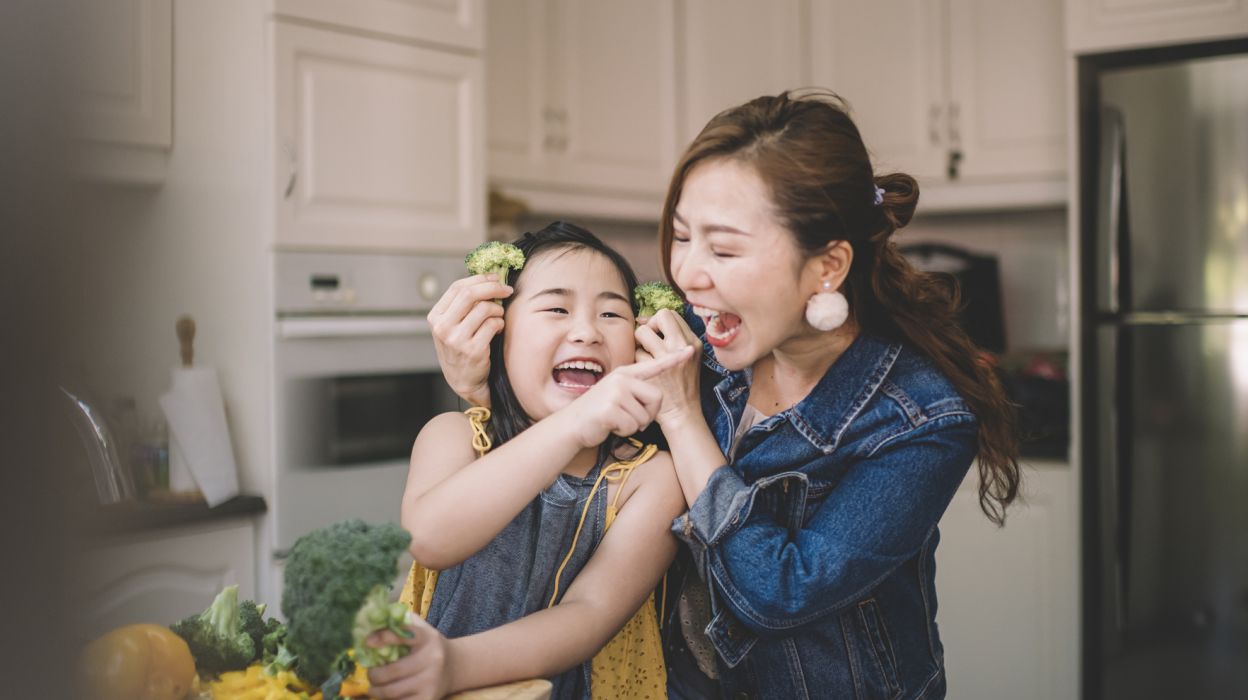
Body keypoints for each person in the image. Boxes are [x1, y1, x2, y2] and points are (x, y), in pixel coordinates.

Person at [431, 91, 1021, 699]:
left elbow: (779, 594)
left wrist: (685, 417)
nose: (687, 274)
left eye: (725, 248)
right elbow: (568, 448)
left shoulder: (921, 420)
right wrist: (483, 390)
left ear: (827, 266)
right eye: (682, 237)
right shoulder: (694, 334)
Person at [362, 222, 695, 700]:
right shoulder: (455, 436)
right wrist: (575, 423)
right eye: (556, 308)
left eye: (611, 314)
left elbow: (590, 612)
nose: (586, 332)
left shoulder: (652, 478)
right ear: (498, 335)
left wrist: (455, 665)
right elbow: (430, 538)